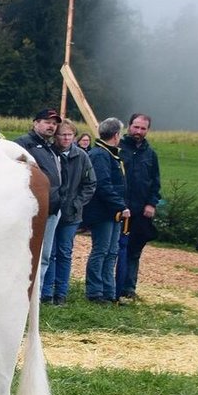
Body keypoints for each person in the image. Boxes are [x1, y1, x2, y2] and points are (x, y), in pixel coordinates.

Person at [39, 119, 96, 305]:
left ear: (74, 137)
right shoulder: (49, 154)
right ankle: (46, 292)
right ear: (56, 136)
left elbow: (90, 183)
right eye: (62, 134)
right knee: (49, 252)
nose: (65, 138)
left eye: (69, 135)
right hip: (52, 210)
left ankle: (61, 292)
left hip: (71, 213)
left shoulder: (81, 156)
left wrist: (77, 203)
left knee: (64, 252)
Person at [15, 109, 63, 297]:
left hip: (52, 208)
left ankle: (38, 294)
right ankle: (23, 294)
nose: (51, 125)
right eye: (46, 121)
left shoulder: (52, 147)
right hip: (32, 210)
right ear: (35, 123)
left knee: (45, 255)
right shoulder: (22, 144)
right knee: (27, 254)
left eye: (54, 123)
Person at [82, 117, 128, 304]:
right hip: (102, 212)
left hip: (112, 212)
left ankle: (109, 292)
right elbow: (103, 185)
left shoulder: (110, 154)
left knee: (112, 251)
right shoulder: (100, 154)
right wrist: (120, 205)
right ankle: (95, 291)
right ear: (116, 135)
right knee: (101, 250)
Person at [117, 113, 160, 301]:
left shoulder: (150, 154)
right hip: (119, 209)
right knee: (112, 249)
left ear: (147, 130)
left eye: (143, 128)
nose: (138, 131)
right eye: (136, 127)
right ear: (129, 126)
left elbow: (155, 182)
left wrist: (151, 203)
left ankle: (128, 288)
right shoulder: (118, 148)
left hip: (140, 210)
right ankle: (111, 287)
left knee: (134, 251)